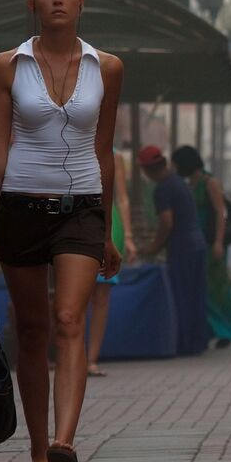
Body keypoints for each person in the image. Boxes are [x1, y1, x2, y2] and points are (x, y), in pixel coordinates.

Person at [0, 0, 124, 462]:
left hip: (81, 208)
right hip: (19, 208)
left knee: (68, 318)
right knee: (32, 333)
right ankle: (37, 453)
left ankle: (65, 442)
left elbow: (105, 152)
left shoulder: (109, 68)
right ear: (31, 3)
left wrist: (107, 231)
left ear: (82, 1)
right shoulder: (8, 66)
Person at [136, 146, 208, 357]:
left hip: (182, 248)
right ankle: (198, 341)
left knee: (182, 295)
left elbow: (167, 223)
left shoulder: (163, 189)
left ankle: (185, 344)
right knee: (196, 295)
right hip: (197, 244)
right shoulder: (179, 182)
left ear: (147, 170)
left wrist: (153, 248)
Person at [171, 145, 231, 349]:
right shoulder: (190, 184)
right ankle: (208, 329)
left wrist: (218, 242)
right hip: (196, 242)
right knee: (202, 287)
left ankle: (226, 330)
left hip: (212, 242)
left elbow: (220, 213)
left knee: (217, 288)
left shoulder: (210, 182)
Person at [85, 146, 137, 376]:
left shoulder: (114, 155)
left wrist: (127, 235)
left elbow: (123, 198)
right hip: (76, 217)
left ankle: (91, 359)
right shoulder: (69, 139)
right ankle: (71, 355)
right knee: (74, 292)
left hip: (109, 220)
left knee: (102, 293)